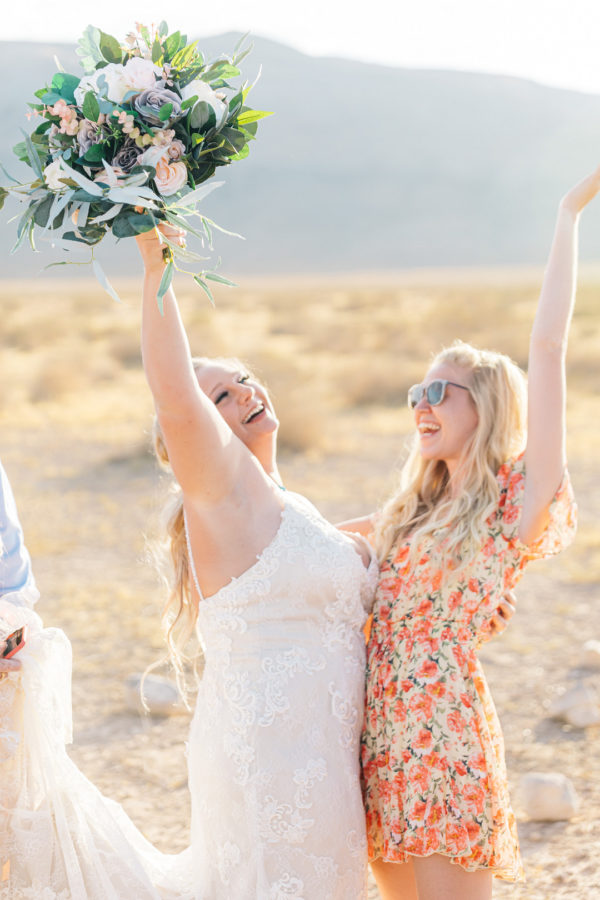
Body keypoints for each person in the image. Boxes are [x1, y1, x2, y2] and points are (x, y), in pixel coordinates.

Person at [340, 167, 600, 900]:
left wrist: (567, 215)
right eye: (414, 393)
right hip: (379, 738)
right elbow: (301, 540)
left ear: (483, 406)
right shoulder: (406, 512)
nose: (420, 406)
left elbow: (546, 349)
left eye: (438, 393)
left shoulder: (513, 502)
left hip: (442, 737)